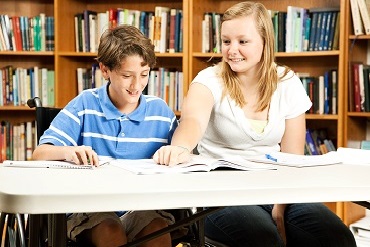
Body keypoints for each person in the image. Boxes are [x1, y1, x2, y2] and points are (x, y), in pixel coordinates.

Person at [153, 1, 356, 247]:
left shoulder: (287, 82)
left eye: (243, 41)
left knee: (338, 238)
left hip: (277, 190)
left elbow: (292, 159)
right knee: (265, 240)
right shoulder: (208, 80)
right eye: (226, 41)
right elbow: (192, 122)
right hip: (221, 194)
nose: (232, 50)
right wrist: (181, 148)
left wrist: (280, 207)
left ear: (264, 42)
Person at [32, 25, 178, 247]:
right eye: (127, 76)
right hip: (91, 210)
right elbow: (39, 154)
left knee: (158, 230)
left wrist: (178, 152)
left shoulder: (160, 112)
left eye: (144, 75)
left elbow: (184, 157)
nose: (137, 85)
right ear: (105, 70)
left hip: (141, 207)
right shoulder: (85, 104)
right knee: (110, 230)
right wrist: (69, 151)